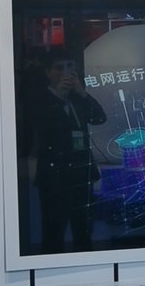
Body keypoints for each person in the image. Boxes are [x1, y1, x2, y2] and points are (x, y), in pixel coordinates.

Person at [33, 56, 106, 254]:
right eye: (58, 68)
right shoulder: (41, 98)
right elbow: (41, 127)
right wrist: (58, 96)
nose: (64, 73)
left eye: (69, 69)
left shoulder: (77, 98)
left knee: (83, 230)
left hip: (81, 173)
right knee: (53, 231)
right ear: (47, 72)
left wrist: (82, 92)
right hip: (54, 176)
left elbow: (100, 118)